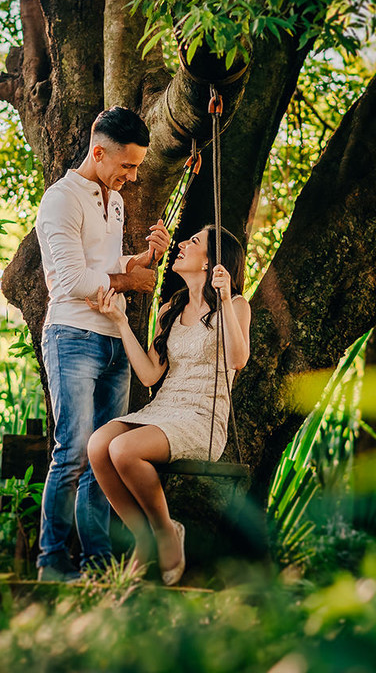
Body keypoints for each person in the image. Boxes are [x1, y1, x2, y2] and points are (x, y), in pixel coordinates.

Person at [34, 106, 170, 581]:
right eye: (127, 165)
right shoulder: (61, 200)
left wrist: (145, 256)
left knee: (98, 460)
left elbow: (107, 264)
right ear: (98, 152)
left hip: (115, 340)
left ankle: (96, 566)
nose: (132, 176)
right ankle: (51, 563)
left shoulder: (114, 199)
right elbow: (71, 278)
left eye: (136, 166)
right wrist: (132, 283)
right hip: (72, 337)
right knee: (72, 451)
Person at [86, 225, 251, 585]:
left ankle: (165, 534)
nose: (182, 244)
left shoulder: (236, 305)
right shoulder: (169, 311)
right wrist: (120, 321)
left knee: (124, 449)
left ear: (211, 262)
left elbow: (238, 360)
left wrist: (224, 300)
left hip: (201, 417)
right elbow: (148, 375)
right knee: (99, 445)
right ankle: (143, 538)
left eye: (194, 242)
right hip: (164, 409)